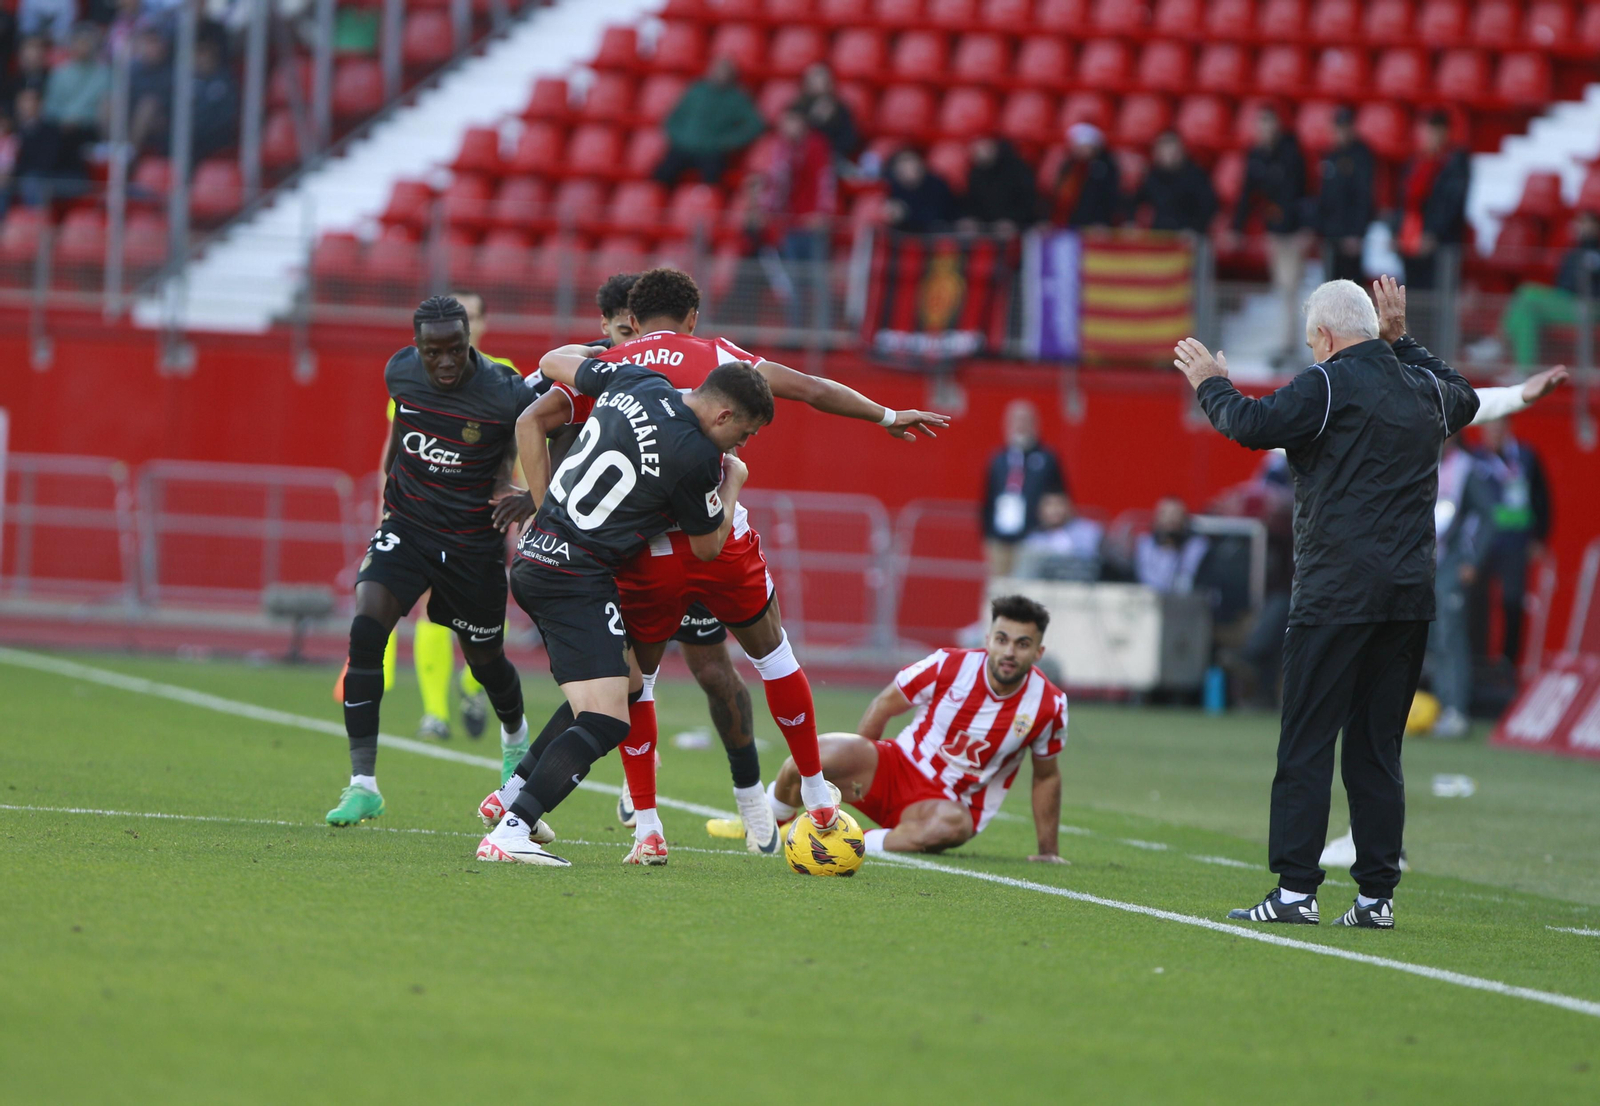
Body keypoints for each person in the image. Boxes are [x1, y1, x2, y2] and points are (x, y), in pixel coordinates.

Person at [494, 267, 948, 863]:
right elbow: (809, 387)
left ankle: (643, 824)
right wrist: (887, 416)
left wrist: (546, 502)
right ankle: (809, 794)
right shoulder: (719, 359)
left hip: (634, 551)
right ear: (692, 319)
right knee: (764, 657)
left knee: (637, 683)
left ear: (630, 319)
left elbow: (534, 415)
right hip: (711, 535)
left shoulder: (624, 363)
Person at [1174, 276, 1479, 929]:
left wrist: (1209, 382)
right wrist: (1406, 342)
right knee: (1377, 749)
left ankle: (1294, 892)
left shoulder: (1329, 382)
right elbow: (1469, 399)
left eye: (1314, 339)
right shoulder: (1421, 385)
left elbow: (1251, 425)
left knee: (1307, 741)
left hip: (1337, 593)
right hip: (1406, 597)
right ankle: (1375, 898)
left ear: (1325, 336)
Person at [477, 357, 773, 867]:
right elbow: (707, 548)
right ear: (724, 416)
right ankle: (512, 829)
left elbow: (551, 362)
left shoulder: (637, 378)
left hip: (535, 556)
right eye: (743, 434)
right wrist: (733, 482)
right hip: (574, 579)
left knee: (624, 686)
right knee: (607, 718)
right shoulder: (698, 454)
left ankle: (511, 795)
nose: (738, 447)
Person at [326, 297, 540, 827]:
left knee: (487, 661)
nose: (443, 361)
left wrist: (537, 496)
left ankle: (514, 740)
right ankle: (363, 783)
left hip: (473, 543)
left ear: (470, 341)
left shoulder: (504, 390)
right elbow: (398, 441)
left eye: (454, 350)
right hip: (408, 526)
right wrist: (384, 509)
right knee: (366, 627)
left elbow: (561, 428)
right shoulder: (399, 372)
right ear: (416, 348)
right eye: (432, 351)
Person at [588, 271, 771, 841]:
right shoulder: (599, 369)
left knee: (713, 671)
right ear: (612, 329)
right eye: (620, 331)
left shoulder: (700, 372)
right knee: (613, 676)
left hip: (689, 543)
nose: (629, 342)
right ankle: (636, 788)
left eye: (631, 330)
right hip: (622, 547)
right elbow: (545, 424)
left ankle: (752, 797)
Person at [768, 595, 1069, 859]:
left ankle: (852, 842)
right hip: (895, 766)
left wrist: (1048, 852)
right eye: (1002, 639)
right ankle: (769, 825)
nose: (1009, 653)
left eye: (1022, 644)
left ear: (1038, 653)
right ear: (988, 639)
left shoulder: (1049, 705)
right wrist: (861, 752)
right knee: (813, 756)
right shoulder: (948, 665)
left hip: (946, 804)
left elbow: (1046, 777)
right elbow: (885, 703)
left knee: (951, 825)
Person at [1427, 435, 1498, 739]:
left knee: (1449, 634)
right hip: (1424, 563)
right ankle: (1442, 704)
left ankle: (1456, 708)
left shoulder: (1467, 469)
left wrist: (1474, 559)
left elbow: (1490, 516)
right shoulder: (1424, 462)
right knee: (1430, 637)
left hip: (1452, 563)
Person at [1472, 416, 1552, 672]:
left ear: (1507, 429)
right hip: (1481, 544)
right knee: (1477, 603)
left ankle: (1508, 662)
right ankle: (1478, 661)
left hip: (1516, 543)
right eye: (1487, 429)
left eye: (1497, 428)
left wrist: (1539, 537)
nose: (1491, 434)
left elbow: (1542, 497)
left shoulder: (1526, 456)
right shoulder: (1474, 460)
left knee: (1512, 600)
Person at [1232, 105, 1308, 369]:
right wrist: (1237, 227)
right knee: (1282, 286)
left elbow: (1303, 191)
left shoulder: (1291, 154)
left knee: (1290, 287)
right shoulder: (1257, 156)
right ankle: (1289, 342)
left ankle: (1294, 343)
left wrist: (1305, 228)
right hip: (1275, 231)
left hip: (1294, 231)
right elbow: (1248, 193)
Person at [1482, 211, 1600, 370]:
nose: (1580, 227)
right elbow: (1562, 285)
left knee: (1526, 292)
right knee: (1527, 314)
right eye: (1579, 223)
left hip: (1589, 306)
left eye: (1586, 223)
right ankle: (1523, 371)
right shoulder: (1572, 251)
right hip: (1565, 301)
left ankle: (1498, 341)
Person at [763, 104, 836, 327]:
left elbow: (825, 180)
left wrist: (823, 213)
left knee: (819, 280)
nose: (787, 128)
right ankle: (795, 331)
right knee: (793, 281)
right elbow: (777, 185)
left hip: (813, 224)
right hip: (790, 224)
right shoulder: (782, 149)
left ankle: (824, 333)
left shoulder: (816, 145)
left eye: (791, 122)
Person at [980, 398, 1066, 579]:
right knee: (999, 589)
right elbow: (987, 497)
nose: (1020, 426)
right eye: (1016, 421)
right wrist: (987, 535)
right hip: (999, 539)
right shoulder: (999, 459)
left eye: (1025, 421)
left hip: (1033, 538)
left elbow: (1059, 496)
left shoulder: (1047, 458)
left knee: (1024, 587)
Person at [653, 56, 765, 187]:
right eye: (717, 70)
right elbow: (673, 116)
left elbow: (756, 125)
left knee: (712, 183)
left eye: (725, 72)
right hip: (682, 147)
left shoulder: (737, 98)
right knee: (659, 178)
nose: (720, 74)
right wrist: (677, 136)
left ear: (733, 75)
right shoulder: (696, 90)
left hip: (711, 152)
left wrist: (727, 142)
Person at [1396, 111, 1469, 294]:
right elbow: (1406, 201)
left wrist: (1432, 234)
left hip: (1440, 244)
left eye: (1436, 131)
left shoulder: (1455, 162)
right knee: (1413, 295)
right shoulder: (1417, 162)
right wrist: (1398, 230)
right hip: (1412, 240)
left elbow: (1451, 203)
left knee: (1437, 298)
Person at [1314, 106, 1375, 285]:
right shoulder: (1330, 155)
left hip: (1350, 236)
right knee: (1330, 287)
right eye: (1338, 127)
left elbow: (1364, 197)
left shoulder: (1362, 155)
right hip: (1331, 233)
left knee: (1351, 289)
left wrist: (1357, 232)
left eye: (1345, 126)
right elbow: (1325, 196)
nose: (1341, 132)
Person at [6, 86, 84, 210]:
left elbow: (47, 163)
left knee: (32, 182)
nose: (24, 106)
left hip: (60, 177)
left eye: (29, 101)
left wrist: (14, 173)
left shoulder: (52, 131)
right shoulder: (16, 131)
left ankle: (36, 223)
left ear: (40, 104)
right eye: (21, 101)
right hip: (26, 178)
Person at [1128, 130, 1215, 234]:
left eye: (1173, 149)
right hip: (1161, 235)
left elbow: (1208, 206)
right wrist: (1131, 221)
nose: (1169, 154)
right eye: (1164, 149)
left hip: (1189, 234)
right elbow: (1134, 201)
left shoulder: (1195, 175)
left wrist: (1195, 229)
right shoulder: (1153, 176)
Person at [42, 22, 110, 147]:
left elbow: (105, 108)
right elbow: (50, 109)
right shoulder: (59, 73)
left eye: (87, 42)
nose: (83, 46)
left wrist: (80, 119)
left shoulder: (104, 74)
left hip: (90, 128)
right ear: (71, 44)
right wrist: (65, 119)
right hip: (60, 127)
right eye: (79, 42)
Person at [957, 135, 1040, 235]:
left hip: (1020, 229)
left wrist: (1014, 221)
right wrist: (970, 218)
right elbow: (972, 203)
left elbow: (1029, 203)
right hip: (987, 230)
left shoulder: (1018, 171)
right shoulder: (976, 173)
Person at [1014, 492, 1103, 582]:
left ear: (1069, 506)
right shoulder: (1034, 539)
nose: (1054, 510)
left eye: (1059, 504)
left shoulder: (1088, 531)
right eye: (1049, 504)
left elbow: (1090, 561)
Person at [1048, 122, 1119, 229]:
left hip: (1094, 225)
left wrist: (1102, 221)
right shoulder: (1069, 167)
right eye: (1078, 146)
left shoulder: (1105, 169)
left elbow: (1109, 198)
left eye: (1085, 146)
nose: (1081, 150)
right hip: (1068, 224)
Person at [1134, 497, 1210, 595]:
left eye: (1175, 514)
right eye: (1165, 514)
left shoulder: (1196, 548)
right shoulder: (1144, 546)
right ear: (1156, 518)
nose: (1170, 519)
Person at [792, 62, 859, 163]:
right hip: (799, 158)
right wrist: (814, 119)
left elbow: (849, 140)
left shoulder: (840, 109)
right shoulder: (797, 108)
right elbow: (790, 137)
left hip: (831, 159)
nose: (817, 82)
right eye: (814, 78)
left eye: (821, 79)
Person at [188, 33, 238, 162]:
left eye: (202, 52)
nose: (198, 58)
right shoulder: (188, 80)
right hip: (189, 138)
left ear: (213, 53)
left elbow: (223, 119)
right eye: (195, 53)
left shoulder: (223, 81)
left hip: (213, 141)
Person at [883, 147, 958, 232]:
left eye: (912, 160)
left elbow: (941, 216)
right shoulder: (887, 188)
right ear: (894, 169)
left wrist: (906, 214)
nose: (910, 166)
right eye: (904, 162)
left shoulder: (937, 184)